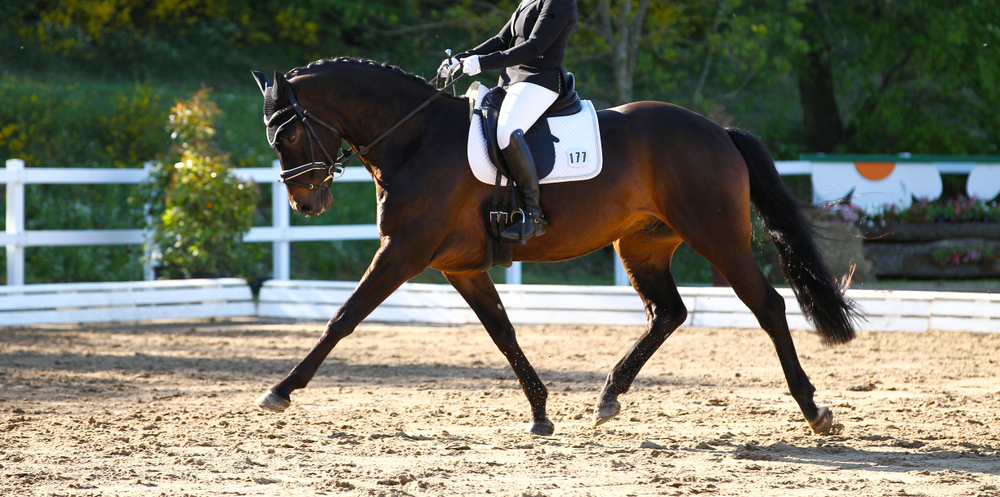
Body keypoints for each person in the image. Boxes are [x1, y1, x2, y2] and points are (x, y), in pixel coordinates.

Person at [439, 0, 578, 244]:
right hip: (511, 81)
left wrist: (482, 63)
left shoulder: (560, 2)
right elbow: (502, 39)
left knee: (507, 132)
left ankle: (534, 216)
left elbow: (535, 47)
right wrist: (463, 58)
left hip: (539, 80)